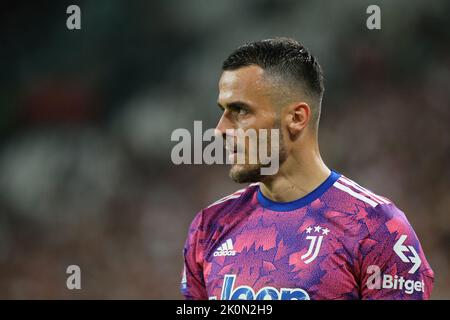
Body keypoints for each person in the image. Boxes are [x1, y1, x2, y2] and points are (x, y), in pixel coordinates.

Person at [181, 38, 434, 300]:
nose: (221, 129)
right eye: (223, 111)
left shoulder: (377, 228)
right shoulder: (209, 226)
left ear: (296, 118)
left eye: (240, 111)